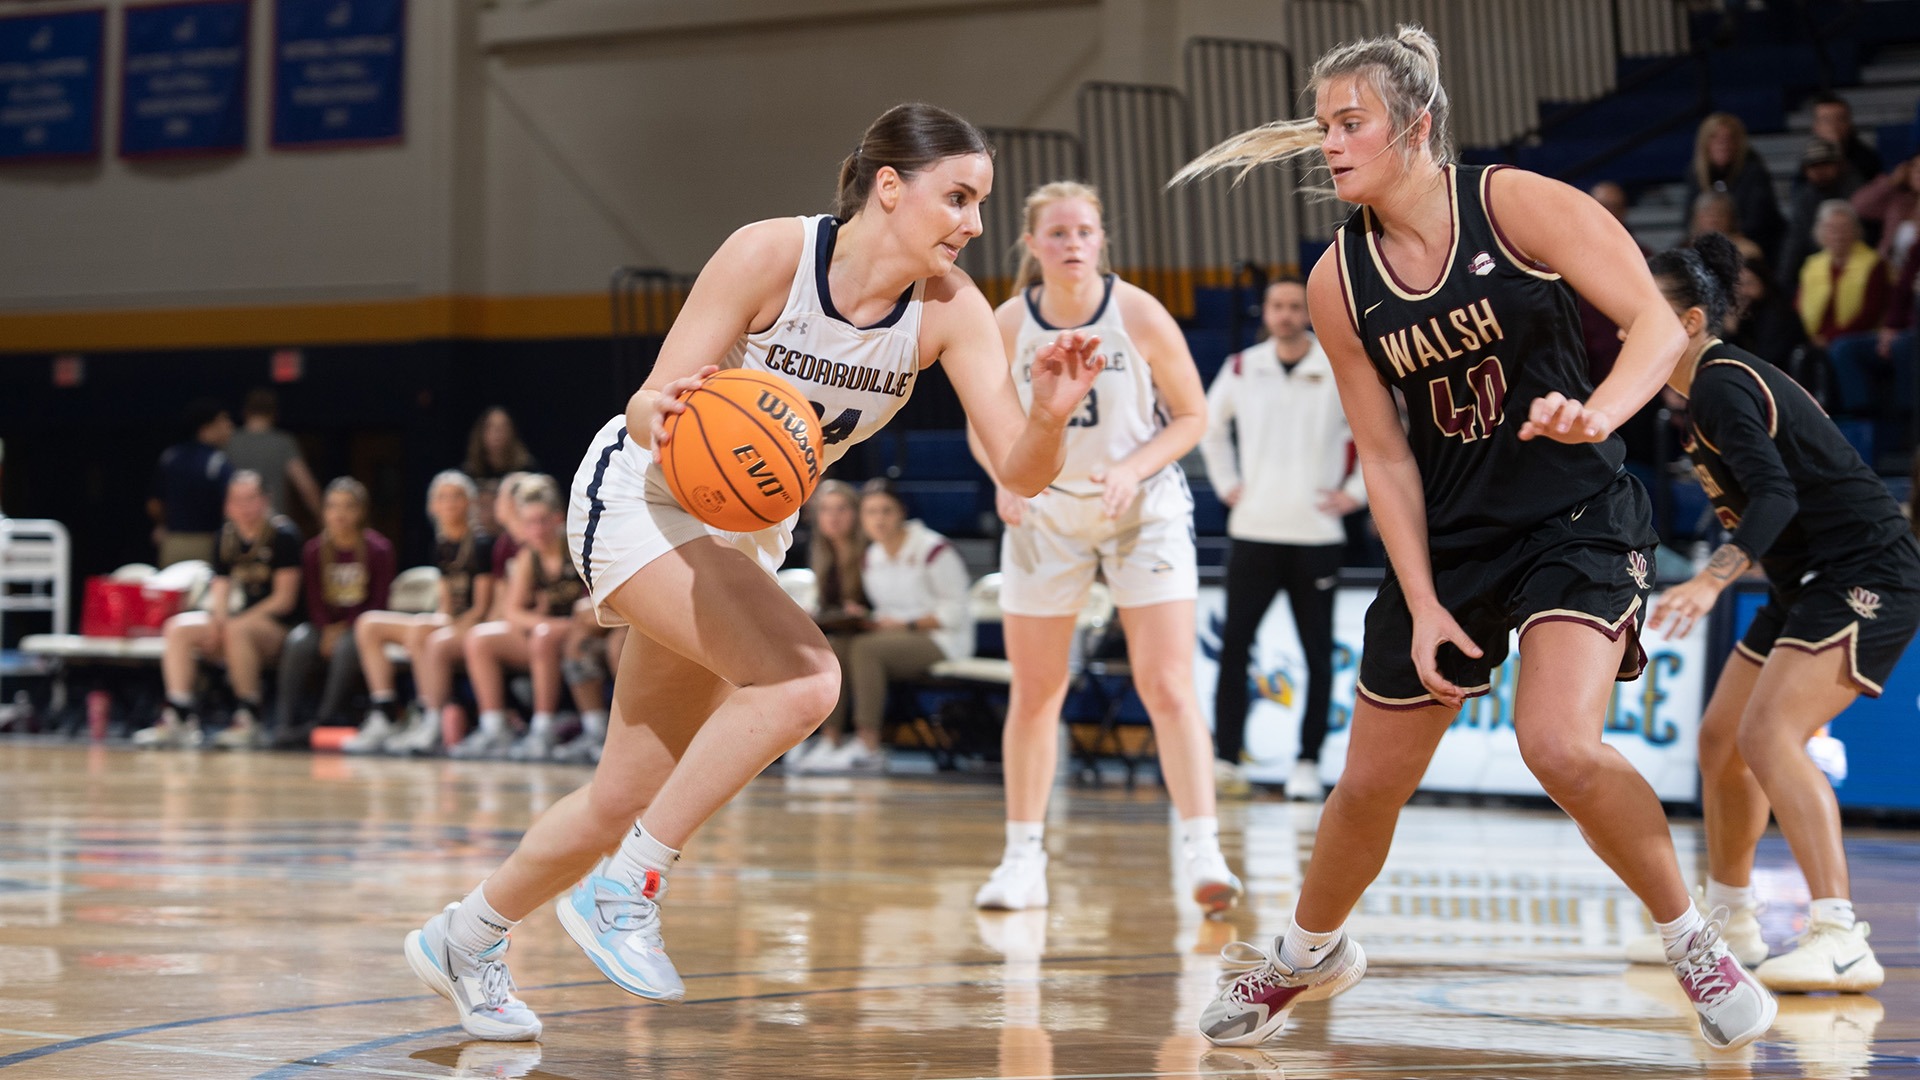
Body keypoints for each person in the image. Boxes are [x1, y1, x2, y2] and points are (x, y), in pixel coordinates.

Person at [401, 102, 1100, 1042]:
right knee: (807, 678)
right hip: (646, 496)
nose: (974, 223)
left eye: (980, 203)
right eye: (959, 197)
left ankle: (466, 936)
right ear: (890, 188)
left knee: (622, 795)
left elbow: (1018, 467)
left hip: (746, 529)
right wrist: (671, 414)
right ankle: (629, 893)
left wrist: (1051, 416)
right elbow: (651, 401)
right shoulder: (772, 255)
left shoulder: (951, 313)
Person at [1172, 24, 1775, 1051]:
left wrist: (1599, 417)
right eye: (1323, 126)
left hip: (1573, 519)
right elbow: (1387, 455)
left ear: (1419, 125)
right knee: (1368, 784)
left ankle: (1695, 942)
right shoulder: (1336, 281)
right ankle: (1309, 952)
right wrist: (1423, 600)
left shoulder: (1517, 205)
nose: (1330, 143)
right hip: (1446, 539)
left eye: (1350, 123)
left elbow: (1656, 326)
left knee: (1557, 743)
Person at [1623, 232, 1918, 994]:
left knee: (1769, 733)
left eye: (1642, 310)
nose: (1626, 324)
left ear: (1689, 322)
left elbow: (1778, 498)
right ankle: (1734, 920)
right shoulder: (1702, 391)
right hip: (1805, 579)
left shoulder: (1720, 382)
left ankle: (1840, 935)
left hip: (1864, 572)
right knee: (1722, 739)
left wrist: (1711, 583)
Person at [967, 179, 1240, 916]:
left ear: (1101, 240)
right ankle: (1022, 860)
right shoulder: (1003, 324)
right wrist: (1005, 477)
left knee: (1168, 685)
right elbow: (983, 425)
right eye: (1057, 233)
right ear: (1031, 245)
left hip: (1139, 506)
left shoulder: (1137, 313)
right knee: (1036, 691)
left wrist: (1131, 466)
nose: (1073, 244)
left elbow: (1192, 417)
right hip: (1046, 511)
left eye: (1085, 231)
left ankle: (1201, 849)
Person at [1200, 276, 1366, 803]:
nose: (1287, 314)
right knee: (1234, 650)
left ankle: (1308, 761)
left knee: (1317, 654)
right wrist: (1227, 485)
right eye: (1279, 305)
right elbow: (1207, 427)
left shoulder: (1338, 367)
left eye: (1296, 306)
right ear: (1266, 312)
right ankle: (1226, 757)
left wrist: (1356, 493)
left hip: (1317, 533)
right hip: (1254, 530)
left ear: (1308, 313)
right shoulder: (1243, 367)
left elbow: (1382, 431)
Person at [798, 480, 972, 774]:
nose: (878, 519)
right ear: (861, 518)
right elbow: (886, 610)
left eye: (886, 511)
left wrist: (905, 623)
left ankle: (869, 744)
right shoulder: (872, 557)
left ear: (901, 512)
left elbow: (955, 613)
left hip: (942, 639)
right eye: (870, 512)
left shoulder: (934, 549)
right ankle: (832, 738)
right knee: (839, 646)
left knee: (866, 649)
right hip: (897, 637)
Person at [138, 471, 301, 749]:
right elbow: (221, 588)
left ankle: (249, 717)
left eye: (251, 499)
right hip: (236, 626)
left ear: (265, 501)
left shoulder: (283, 535)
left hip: (278, 628)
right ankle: (179, 714)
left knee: (237, 630)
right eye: (237, 500)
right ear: (227, 505)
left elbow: (284, 600)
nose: (244, 507)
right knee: (179, 628)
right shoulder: (225, 537)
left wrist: (231, 624)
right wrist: (218, 620)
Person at [346, 470, 495, 755]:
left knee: (420, 632)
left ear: (470, 503)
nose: (449, 503)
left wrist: (445, 623)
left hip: (475, 624)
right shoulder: (440, 545)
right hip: (449, 621)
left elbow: (480, 607)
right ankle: (385, 711)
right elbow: (445, 601)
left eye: (456, 496)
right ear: (432, 506)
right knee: (368, 624)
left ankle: (430, 717)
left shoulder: (480, 544)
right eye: (442, 497)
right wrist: (441, 620)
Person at [455, 476, 589, 760]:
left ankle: (544, 729)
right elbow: (513, 612)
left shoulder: (577, 547)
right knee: (480, 639)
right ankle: (494, 728)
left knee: (544, 636)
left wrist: (548, 625)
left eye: (542, 521)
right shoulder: (529, 557)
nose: (536, 530)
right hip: (548, 633)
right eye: (529, 523)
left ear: (557, 519)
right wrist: (544, 623)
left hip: (583, 631)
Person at [269, 478, 395, 748]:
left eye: (349, 507)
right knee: (298, 642)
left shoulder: (379, 549)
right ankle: (284, 722)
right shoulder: (314, 550)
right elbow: (313, 599)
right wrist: (326, 628)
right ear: (324, 511)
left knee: (347, 647)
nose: (340, 514)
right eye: (333, 506)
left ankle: (324, 718)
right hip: (322, 624)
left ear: (361, 511)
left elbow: (379, 601)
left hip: (360, 627)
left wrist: (346, 626)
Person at [782, 479, 871, 771]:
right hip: (841, 629)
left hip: (868, 630)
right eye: (826, 510)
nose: (833, 517)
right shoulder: (820, 552)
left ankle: (845, 739)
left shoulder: (870, 550)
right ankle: (818, 738)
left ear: (856, 513)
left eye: (842, 509)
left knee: (834, 652)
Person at [1803, 201, 1893, 416]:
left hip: (1862, 335)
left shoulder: (1873, 263)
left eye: (1844, 227)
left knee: (1842, 349)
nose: (1838, 234)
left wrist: (1830, 337)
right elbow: (1799, 306)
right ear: (1821, 232)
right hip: (1816, 338)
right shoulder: (1812, 265)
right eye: (1832, 228)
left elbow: (1871, 313)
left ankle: (1858, 415)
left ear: (1856, 231)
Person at [1685, 112, 1785, 263]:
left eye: (1729, 138)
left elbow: (1758, 222)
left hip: (1754, 245)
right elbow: (1689, 219)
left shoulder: (1754, 172)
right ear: (1705, 143)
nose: (1723, 144)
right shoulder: (1695, 174)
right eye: (1715, 138)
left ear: (1739, 143)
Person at [148, 399, 234, 568]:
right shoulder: (216, 463)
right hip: (207, 544)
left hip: (172, 542)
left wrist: (162, 525)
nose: (229, 427)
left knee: (173, 592)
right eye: (224, 421)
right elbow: (232, 508)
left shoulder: (170, 456)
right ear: (207, 427)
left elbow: (154, 505)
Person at [225, 388, 323, 523]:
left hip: (236, 525)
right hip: (273, 524)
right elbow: (306, 486)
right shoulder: (283, 442)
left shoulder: (228, 441)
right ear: (275, 414)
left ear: (245, 412)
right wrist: (323, 520)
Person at [1778, 140, 1864, 290]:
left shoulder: (1855, 191)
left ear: (1838, 166)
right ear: (1805, 171)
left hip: (1856, 266)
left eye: (1825, 164)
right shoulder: (1804, 198)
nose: (1820, 170)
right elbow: (1795, 243)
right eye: (1814, 166)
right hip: (1816, 268)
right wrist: (1782, 283)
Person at [1809, 91, 1883, 190]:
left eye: (1839, 119)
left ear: (1850, 123)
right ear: (1815, 126)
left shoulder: (1866, 158)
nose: (1833, 126)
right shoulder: (1809, 158)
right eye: (1826, 120)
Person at [464, 408, 539, 484]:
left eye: (502, 428)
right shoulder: (469, 471)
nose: (497, 434)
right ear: (481, 433)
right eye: (491, 427)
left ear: (512, 432)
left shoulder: (527, 469)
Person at [1690, 191, 1766, 264]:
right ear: (1696, 218)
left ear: (1731, 219)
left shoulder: (1747, 251)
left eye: (1720, 214)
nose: (1714, 219)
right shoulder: (1687, 247)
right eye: (1709, 214)